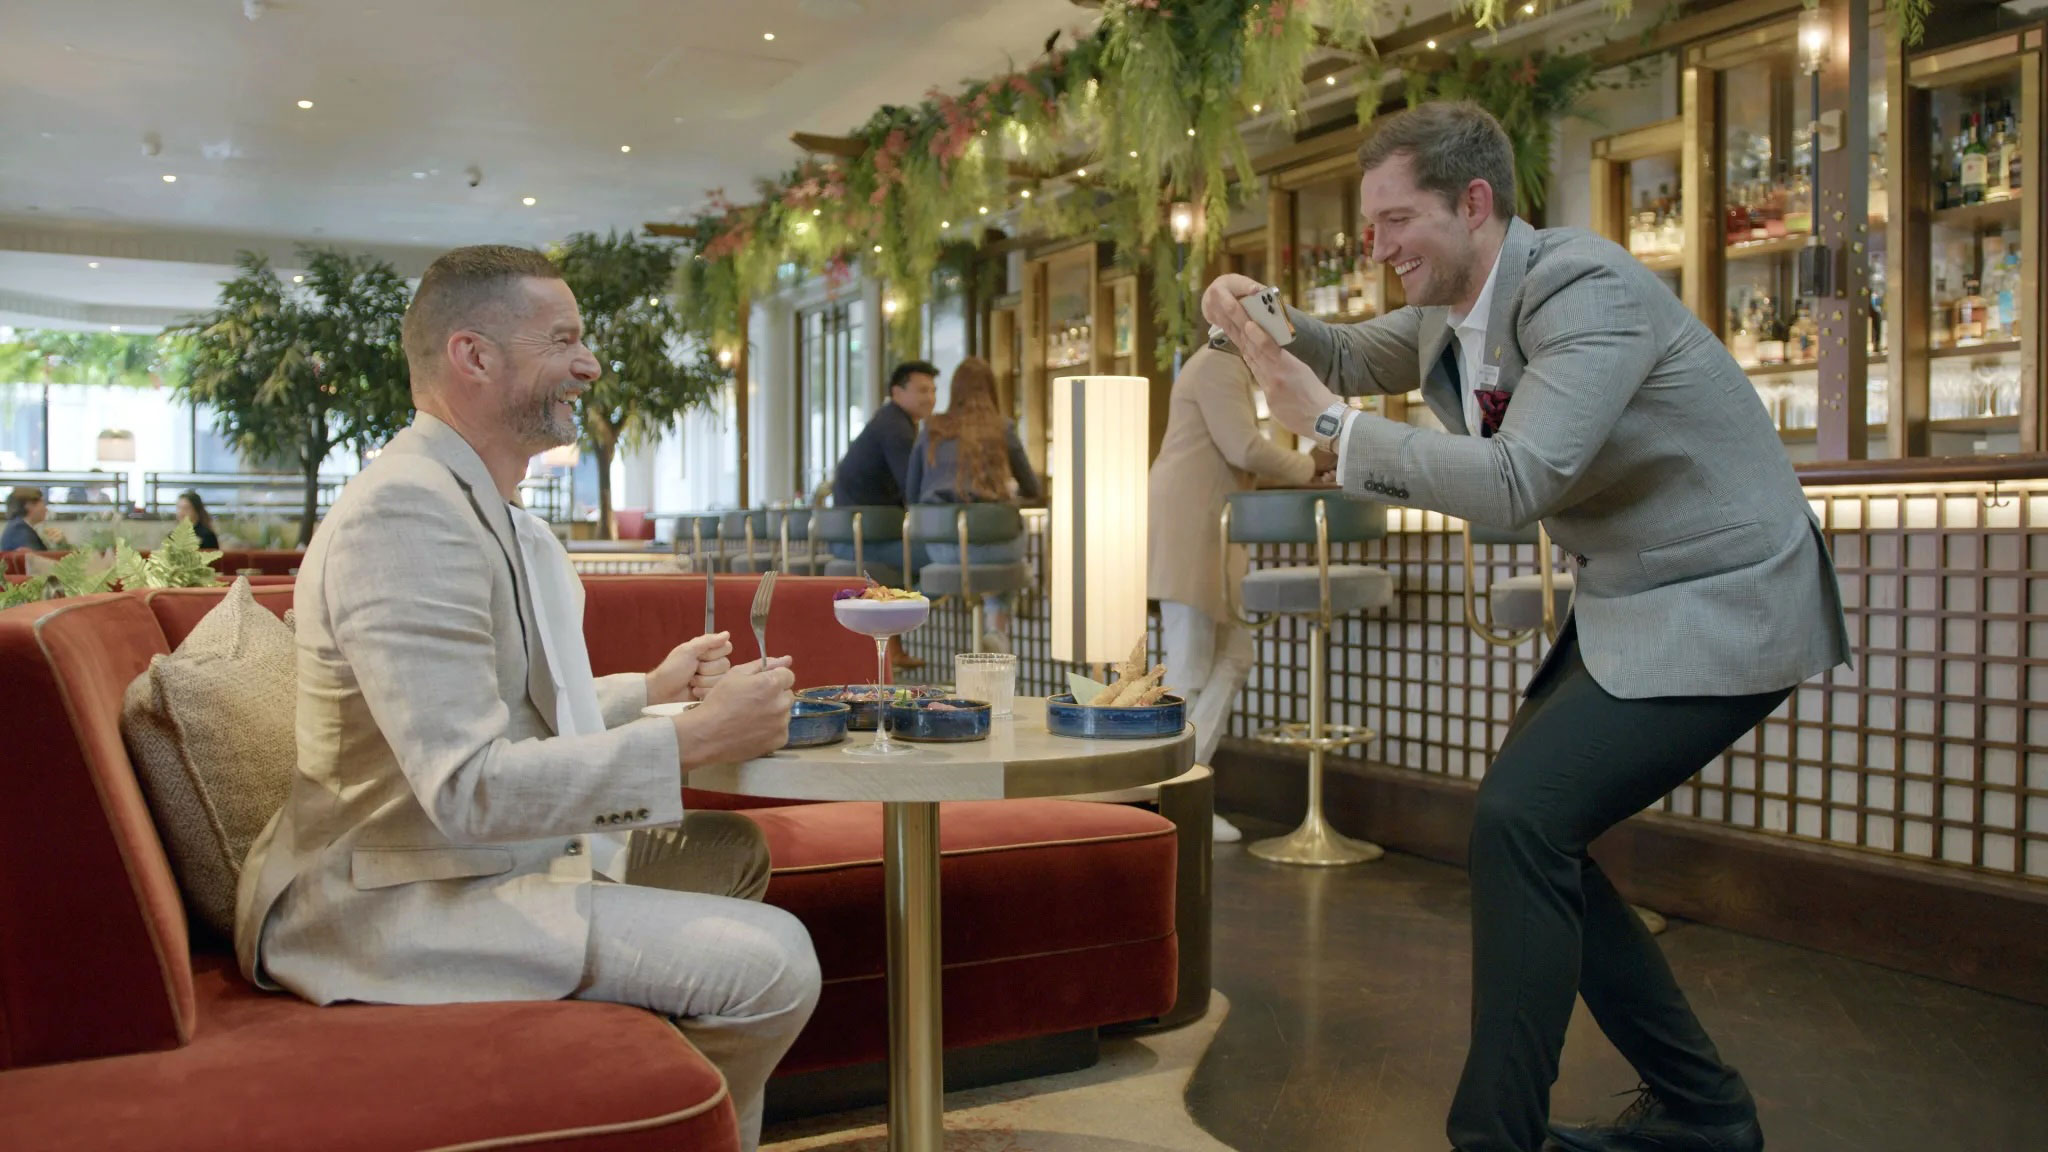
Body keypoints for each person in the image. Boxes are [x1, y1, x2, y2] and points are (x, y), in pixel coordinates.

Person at [1203, 102, 1848, 1152]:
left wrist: (1322, 421)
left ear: (1474, 202)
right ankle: (1702, 1110)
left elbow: (1516, 481)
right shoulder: (1446, 311)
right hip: (1630, 599)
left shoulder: (1583, 288)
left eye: (1395, 220)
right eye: (1369, 226)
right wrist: (1250, 312)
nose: (1377, 248)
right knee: (1526, 836)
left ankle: (1499, 1137)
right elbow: (1341, 351)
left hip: (1727, 594)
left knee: (1520, 824)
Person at [233, 245, 819, 1152]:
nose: (589, 364)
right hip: (394, 898)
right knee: (776, 964)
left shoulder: (483, 504)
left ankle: (638, 1095)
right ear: (475, 356)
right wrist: (691, 740)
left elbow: (505, 703)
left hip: (465, 861)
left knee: (727, 851)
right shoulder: (405, 515)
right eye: (564, 339)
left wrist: (649, 693)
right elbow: (469, 786)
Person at [1147, 347, 1334, 844]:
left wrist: (1304, 466)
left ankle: (1179, 789)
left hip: (1209, 524)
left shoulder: (1224, 367)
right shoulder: (1216, 365)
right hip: (1193, 524)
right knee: (1190, 663)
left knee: (1233, 655)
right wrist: (1307, 464)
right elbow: (1244, 448)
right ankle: (1161, 798)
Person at [904, 356, 1040, 652]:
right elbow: (1033, 488)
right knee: (1007, 540)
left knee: (979, 550)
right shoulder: (1002, 428)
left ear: (954, 391)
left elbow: (912, 495)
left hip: (944, 548)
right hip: (999, 550)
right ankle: (997, 626)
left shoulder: (931, 429)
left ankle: (961, 642)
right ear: (992, 390)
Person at [831, 359, 939, 508]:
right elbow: (913, 486)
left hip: (861, 516)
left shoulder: (893, 418)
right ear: (897, 392)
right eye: (923, 391)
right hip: (870, 520)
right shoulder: (895, 427)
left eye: (933, 391)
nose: (930, 399)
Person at [2, 487, 49, 551]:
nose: (46, 510)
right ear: (29, 505)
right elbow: (35, 559)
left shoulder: (18, 526)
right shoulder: (19, 529)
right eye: (42, 504)